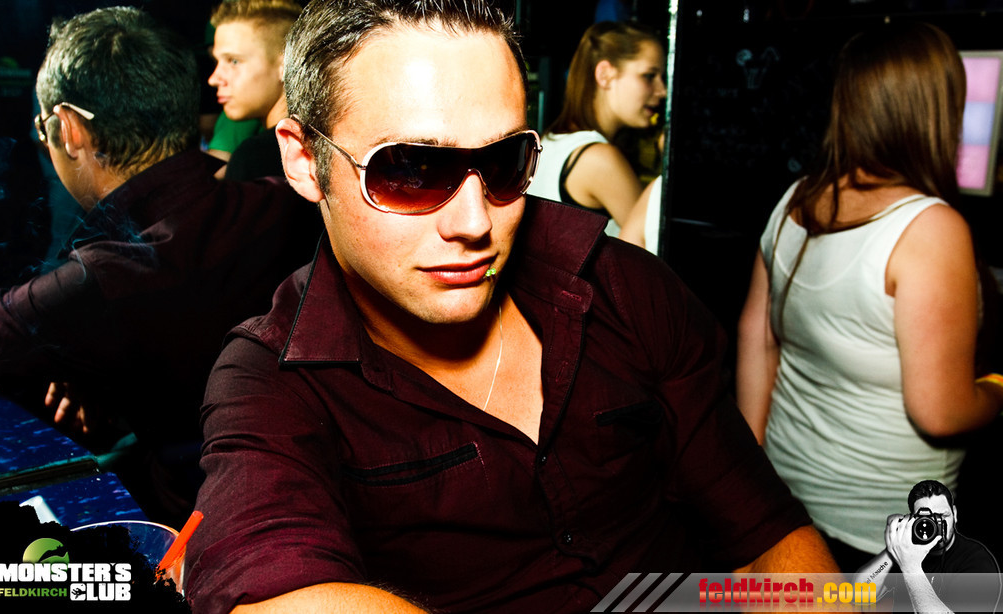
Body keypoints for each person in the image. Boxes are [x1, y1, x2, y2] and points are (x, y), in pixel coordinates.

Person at [184, 1, 838, 612]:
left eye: (504, 162)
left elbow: (765, 533)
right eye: (410, 170)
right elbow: (271, 582)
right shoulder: (271, 378)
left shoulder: (624, 287)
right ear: (305, 160)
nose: (475, 223)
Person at [0, 6, 321, 527]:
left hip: (199, 530)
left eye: (42, 129)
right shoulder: (288, 204)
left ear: (67, 129)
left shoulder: (106, 279)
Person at [736, 21, 1003, 572]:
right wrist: (998, 387)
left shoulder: (796, 200)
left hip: (787, 510)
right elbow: (941, 412)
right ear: (936, 109)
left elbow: (757, 340)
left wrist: (750, 481)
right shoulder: (931, 228)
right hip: (885, 532)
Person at [526, 20, 665, 239]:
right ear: (605, 75)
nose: (662, 91)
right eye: (649, 76)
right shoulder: (600, 158)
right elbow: (655, 243)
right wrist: (667, 161)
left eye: (662, 78)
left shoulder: (553, 140)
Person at [853, 480, 1000, 612]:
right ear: (913, 520)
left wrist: (911, 569)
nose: (935, 525)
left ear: (954, 514)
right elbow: (859, 595)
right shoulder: (906, 551)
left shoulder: (977, 561)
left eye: (942, 516)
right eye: (926, 519)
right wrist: (893, 547)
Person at [207, 0, 302, 180]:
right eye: (216, 61)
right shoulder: (322, 140)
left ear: (285, 65)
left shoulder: (253, 158)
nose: (214, 79)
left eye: (234, 61)